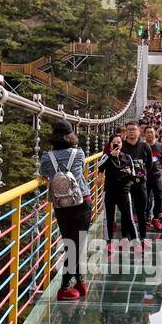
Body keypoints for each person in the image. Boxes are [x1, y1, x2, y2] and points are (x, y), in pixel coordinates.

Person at [39, 119, 92, 300]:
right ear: (70, 135)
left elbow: (45, 175)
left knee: (70, 242)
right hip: (81, 201)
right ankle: (64, 287)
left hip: (61, 204)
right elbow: (80, 170)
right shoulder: (78, 153)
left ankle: (79, 281)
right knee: (77, 244)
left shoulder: (46, 157)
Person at [97, 131, 137, 246]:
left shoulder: (127, 157)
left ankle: (135, 240)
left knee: (128, 216)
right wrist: (110, 155)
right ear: (110, 145)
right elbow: (99, 166)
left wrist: (129, 172)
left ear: (122, 144)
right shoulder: (106, 156)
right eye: (114, 142)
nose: (116, 144)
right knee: (108, 218)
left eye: (119, 142)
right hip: (109, 191)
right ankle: (108, 241)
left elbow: (133, 175)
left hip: (124, 192)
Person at [120, 121, 152, 245]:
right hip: (125, 185)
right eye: (129, 129)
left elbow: (148, 164)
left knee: (141, 211)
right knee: (125, 211)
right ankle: (125, 236)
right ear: (126, 132)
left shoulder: (145, 146)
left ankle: (143, 236)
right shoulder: (121, 146)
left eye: (134, 129)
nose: (132, 131)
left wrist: (143, 175)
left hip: (140, 184)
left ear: (139, 131)